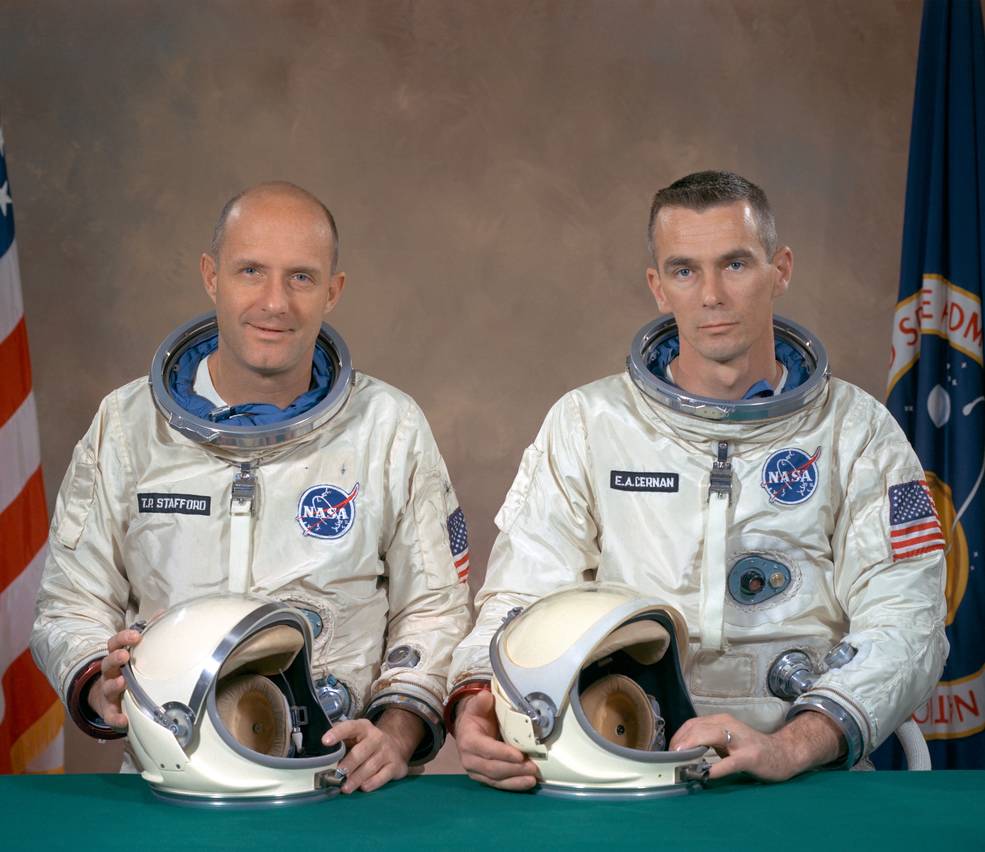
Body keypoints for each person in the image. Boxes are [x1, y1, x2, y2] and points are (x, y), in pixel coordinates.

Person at [447, 171, 947, 789]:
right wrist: (477, 702)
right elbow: (519, 601)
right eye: (684, 270)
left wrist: (793, 744)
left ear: (780, 270)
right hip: (621, 751)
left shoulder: (855, 432)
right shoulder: (588, 424)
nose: (711, 294)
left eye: (735, 265)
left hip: (800, 765)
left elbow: (909, 620)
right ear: (658, 286)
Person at [31, 182, 472, 794]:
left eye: (300, 277)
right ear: (211, 277)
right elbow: (69, 604)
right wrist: (94, 677)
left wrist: (395, 731)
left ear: (332, 291)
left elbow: (435, 607)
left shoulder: (387, 428)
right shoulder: (128, 426)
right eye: (250, 271)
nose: (274, 302)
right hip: (170, 777)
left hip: (339, 780)